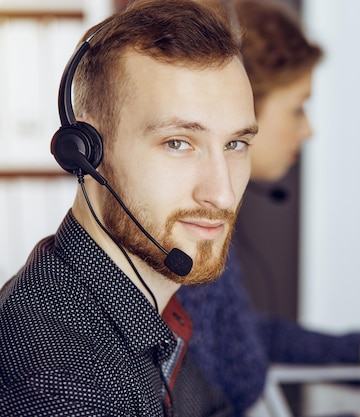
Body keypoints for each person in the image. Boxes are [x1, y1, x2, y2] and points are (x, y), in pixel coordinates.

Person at [176, 1, 360, 416]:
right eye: (297, 107)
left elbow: (237, 339)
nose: (308, 130)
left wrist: (357, 350)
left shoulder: (207, 223)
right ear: (243, 106)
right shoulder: (183, 237)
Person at [0, 0, 257, 415]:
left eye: (235, 144)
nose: (223, 194)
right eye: (178, 143)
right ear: (86, 151)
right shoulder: (59, 382)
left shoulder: (143, 295)